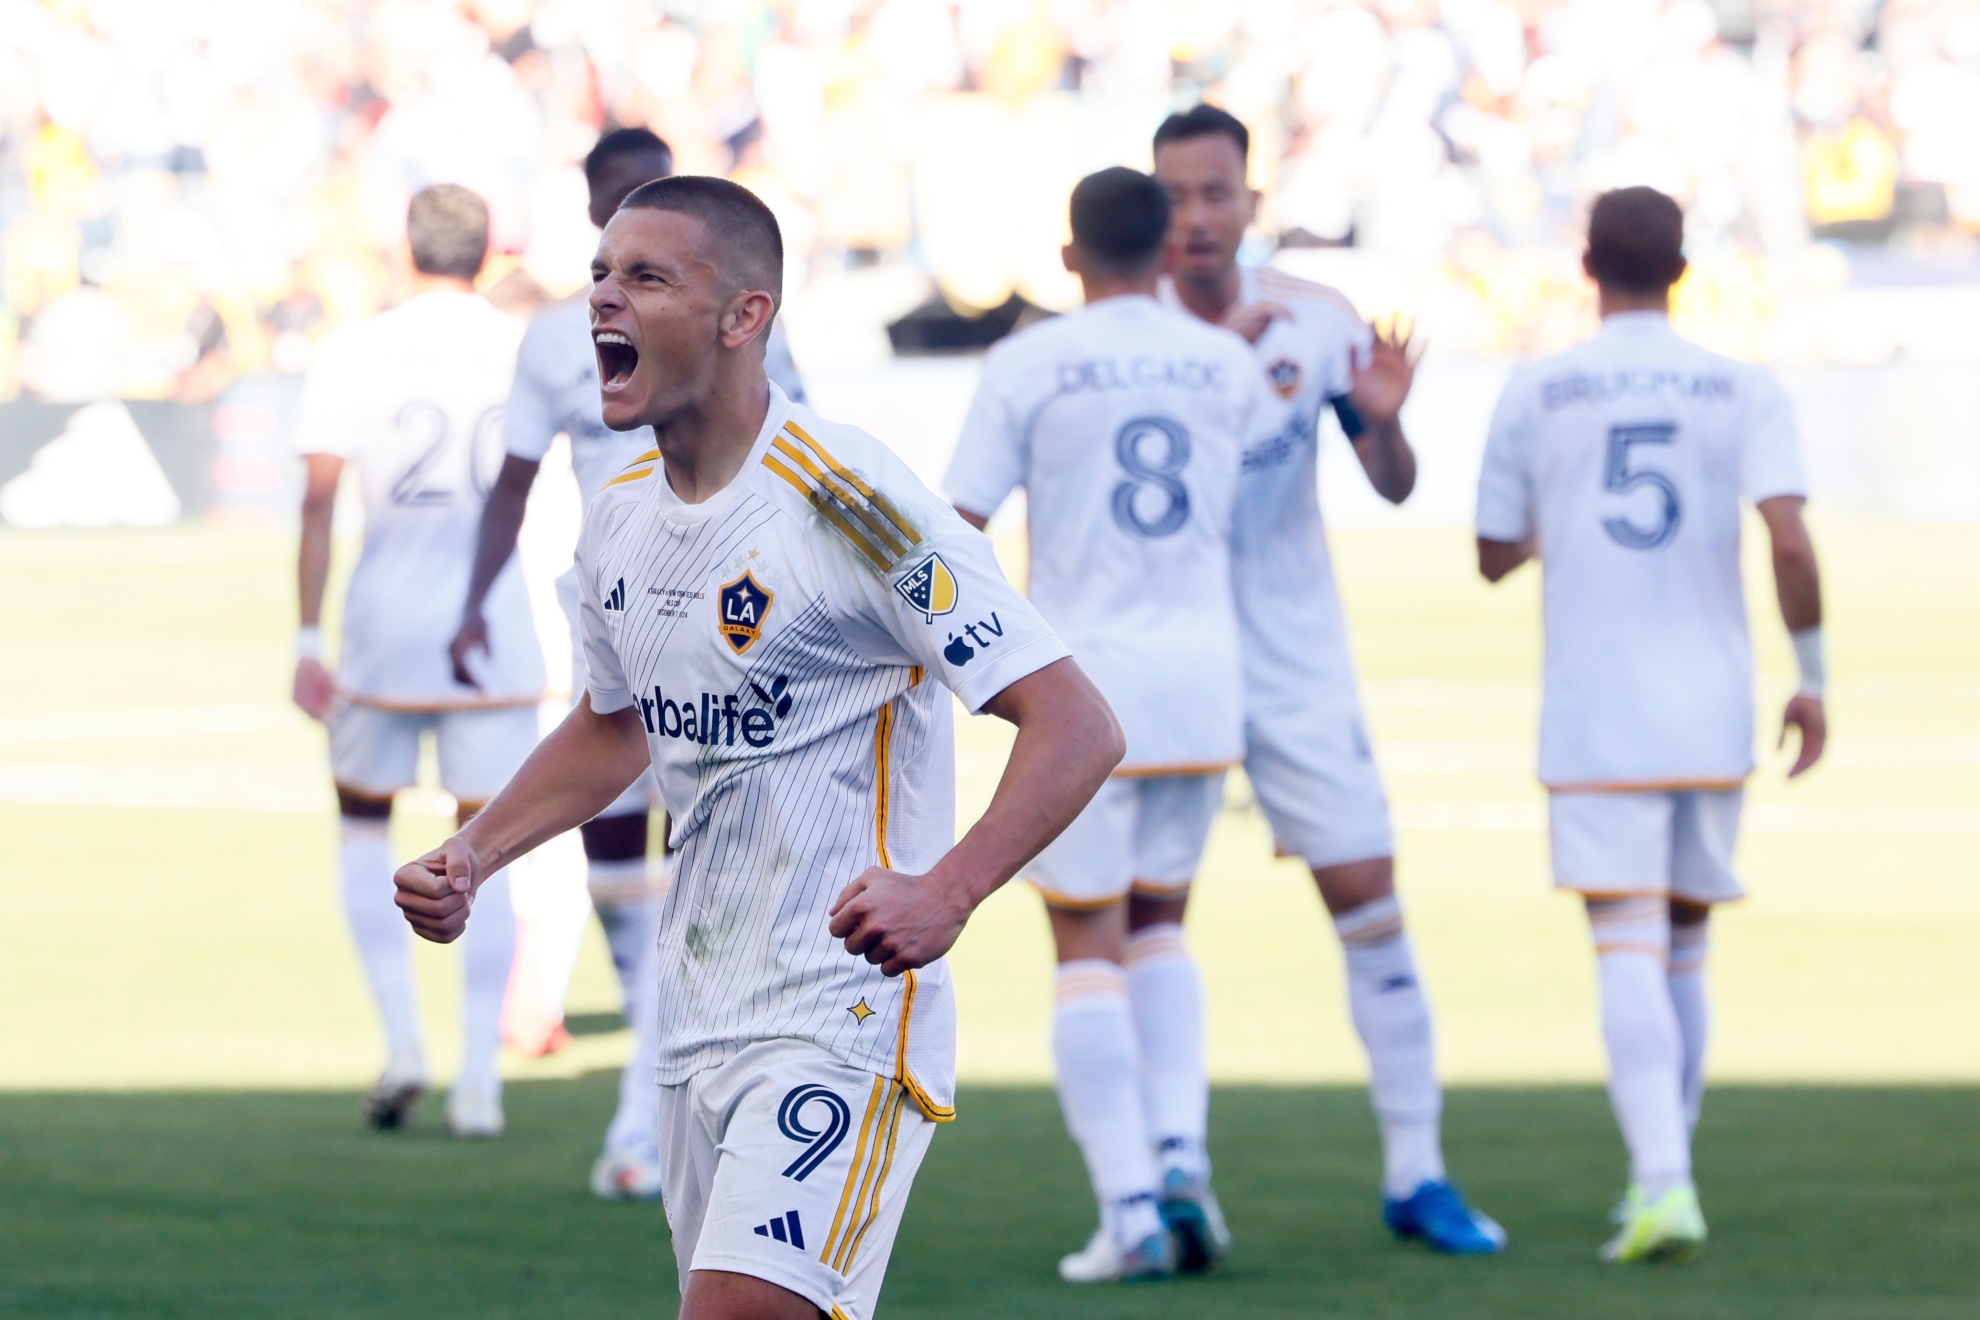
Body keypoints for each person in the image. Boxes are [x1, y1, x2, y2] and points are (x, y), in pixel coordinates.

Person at [394, 176, 1123, 1320]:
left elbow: (1076, 722)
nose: (603, 301)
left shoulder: (853, 502)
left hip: (838, 1018)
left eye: (646, 277)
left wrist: (951, 890)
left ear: (744, 316)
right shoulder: (621, 509)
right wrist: (477, 851)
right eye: (598, 273)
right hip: (696, 1021)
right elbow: (615, 723)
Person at [1151, 104, 1505, 1254]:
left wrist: (1390, 428)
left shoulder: (1318, 317)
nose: (1194, 217)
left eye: (1214, 193)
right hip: (1171, 667)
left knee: (1372, 904)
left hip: (1297, 662)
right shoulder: (1126, 331)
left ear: (1252, 201)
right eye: (1174, 196)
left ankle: (1418, 1173)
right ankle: (1175, 1174)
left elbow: (1392, 482)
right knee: (1152, 919)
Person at [448, 127, 809, 1201]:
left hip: (730, 622)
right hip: (607, 620)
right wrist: (469, 601)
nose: (618, 282)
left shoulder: (735, 319)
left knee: (709, 871)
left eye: (647, 258)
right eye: (610, 241)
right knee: (622, 882)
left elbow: (801, 435)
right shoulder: (556, 340)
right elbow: (512, 480)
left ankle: (652, 1112)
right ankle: (658, 1092)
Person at [1475, 185, 1826, 1263]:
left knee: (1623, 938)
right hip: (1711, 701)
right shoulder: (1742, 386)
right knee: (1684, 942)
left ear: (1586, 266)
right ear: (1685, 269)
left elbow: (1493, 554)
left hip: (1599, 707)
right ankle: (1662, 1173)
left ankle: (1664, 1181)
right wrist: (1810, 678)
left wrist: (1567, 522)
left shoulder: (1539, 390)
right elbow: (1793, 544)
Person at [944, 167, 1261, 1283]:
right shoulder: (1227, 362)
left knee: (1085, 941)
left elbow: (960, 526)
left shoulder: (1028, 362)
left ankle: (1129, 1207)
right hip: (1202, 676)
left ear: (1069, 256)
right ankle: (1183, 1162)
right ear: (1169, 247)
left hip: (1082, 690)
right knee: (1163, 923)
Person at [291, 183, 539, 1139]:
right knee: (493, 845)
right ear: (486, 251)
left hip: (383, 632)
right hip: (494, 632)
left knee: (362, 825)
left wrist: (307, 638)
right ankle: (482, 1075)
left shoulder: (355, 348)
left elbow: (317, 500)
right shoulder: (524, 346)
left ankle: (403, 1043)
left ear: (406, 250)